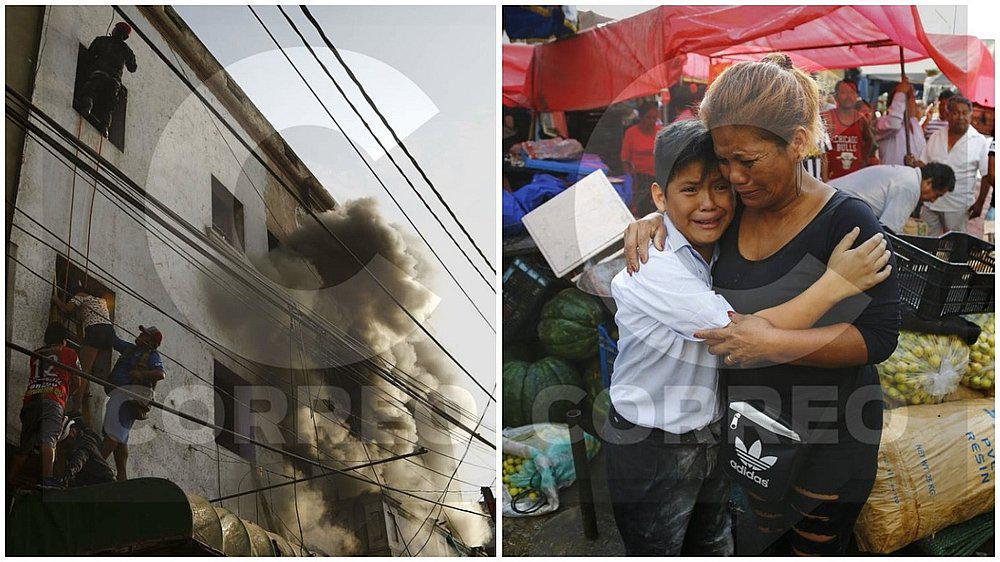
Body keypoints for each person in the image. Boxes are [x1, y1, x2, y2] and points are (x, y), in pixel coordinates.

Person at [623, 54, 900, 556]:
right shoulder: (732, 212)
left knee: (815, 546)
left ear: (796, 142)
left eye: (746, 161)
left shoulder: (847, 222)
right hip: (750, 431)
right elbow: (694, 221)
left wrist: (774, 345)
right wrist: (653, 220)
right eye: (724, 162)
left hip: (830, 432)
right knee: (761, 541)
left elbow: (879, 337)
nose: (734, 178)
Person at [8, 323, 82, 489]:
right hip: (53, 399)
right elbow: (78, 381)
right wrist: (69, 395)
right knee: (49, 440)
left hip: (31, 399)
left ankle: (10, 477)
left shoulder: (35, 353)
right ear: (64, 340)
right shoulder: (70, 352)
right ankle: (47, 481)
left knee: (25, 444)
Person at [906, 95, 994, 234]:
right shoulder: (936, 136)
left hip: (958, 205)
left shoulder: (979, 141)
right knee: (927, 244)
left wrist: (980, 203)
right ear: (947, 115)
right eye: (955, 112)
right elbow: (924, 164)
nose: (960, 117)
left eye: (964, 113)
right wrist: (913, 164)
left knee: (955, 247)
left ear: (971, 115)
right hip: (930, 203)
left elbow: (986, 175)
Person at [100, 325, 165, 481]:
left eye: (144, 335)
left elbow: (160, 374)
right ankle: (122, 476)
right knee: (121, 438)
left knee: (113, 434)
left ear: (151, 341)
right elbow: (114, 341)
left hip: (128, 398)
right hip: (119, 394)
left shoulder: (152, 356)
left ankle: (95, 464)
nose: (139, 336)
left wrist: (142, 374)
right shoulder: (130, 349)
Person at [830, 162, 956, 233]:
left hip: (833, 201)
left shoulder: (908, 175)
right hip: (834, 209)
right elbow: (888, 231)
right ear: (929, 182)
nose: (933, 200)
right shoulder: (910, 187)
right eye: (937, 195)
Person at [52, 283, 116, 421]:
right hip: (109, 333)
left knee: (82, 371)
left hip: (95, 331)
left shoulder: (80, 296)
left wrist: (56, 299)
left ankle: (75, 409)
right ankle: (85, 394)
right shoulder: (99, 301)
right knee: (88, 368)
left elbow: (66, 309)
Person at [75, 21, 137, 135]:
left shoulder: (101, 40)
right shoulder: (126, 50)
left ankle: (86, 107)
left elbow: (89, 57)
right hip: (114, 82)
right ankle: (105, 127)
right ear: (125, 37)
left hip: (99, 74)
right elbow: (133, 68)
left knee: (90, 92)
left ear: (115, 31)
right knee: (109, 105)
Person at [821, 80, 877, 180]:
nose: (848, 96)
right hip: (831, 180)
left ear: (856, 96)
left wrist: (863, 161)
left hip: (856, 179)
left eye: (852, 92)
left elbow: (870, 142)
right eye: (844, 92)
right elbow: (820, 152)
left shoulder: (861, 119)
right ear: (836, 97)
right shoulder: (826, 118)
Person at [621, 101, 663, 216]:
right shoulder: (631, 133)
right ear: (641, 117)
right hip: (639, 179)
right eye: (648, 117)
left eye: (654, 118)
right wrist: (629, 180)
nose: (651, 121)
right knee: (642, 211)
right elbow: (625, 159)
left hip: (658, 177)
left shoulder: (660, 132)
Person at [876, 79, 926, 166]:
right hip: (893, 178)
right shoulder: (882, 122)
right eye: (911, 98)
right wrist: (900, 92)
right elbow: (894, 124)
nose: (915, 104)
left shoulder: (914, 123)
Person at [56, 416, 116, 488]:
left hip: (104, 484)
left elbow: (78, 461)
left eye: (66, 443)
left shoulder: (84, 444)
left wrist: (66, 475)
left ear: (73, 432)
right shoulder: (77, 443)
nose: (65, 447)